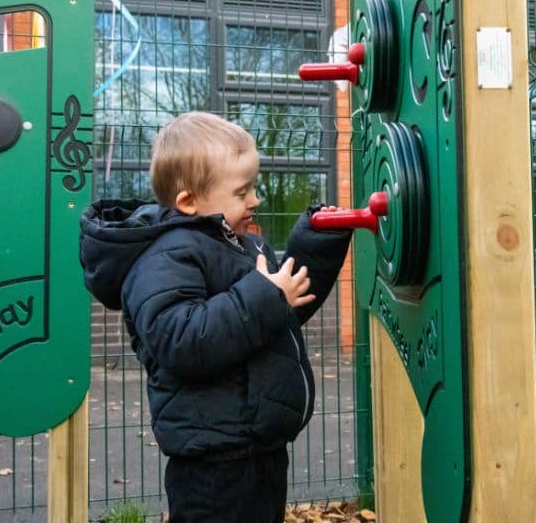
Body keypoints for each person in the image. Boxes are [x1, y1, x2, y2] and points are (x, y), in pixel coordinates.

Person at [78, 112, 353, 522]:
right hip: (213, 462)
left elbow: (276, 316)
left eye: (254, 187)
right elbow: (182, 340)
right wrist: (266, 295)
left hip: (258, 445)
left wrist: (316, 245)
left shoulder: (241, 245)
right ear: (189, 201)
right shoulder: (165, 257)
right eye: (242, 191)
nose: (255, 200)